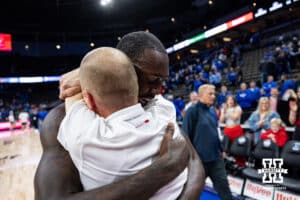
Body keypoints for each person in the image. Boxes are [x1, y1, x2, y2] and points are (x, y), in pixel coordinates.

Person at [35, 31, 205, 200]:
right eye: (152, 80)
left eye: (162, 81)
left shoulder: (156, 106)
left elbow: (193, 161)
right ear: (127, 69)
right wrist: (164, 169)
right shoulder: (61, 119)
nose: (158, 90)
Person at [58, 47, 188, 199]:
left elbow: (69, 92)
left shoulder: (87, 137)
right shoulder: (165, 111)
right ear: (136, 85)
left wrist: (87, 74)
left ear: (89, 100)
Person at [183, 84, 233, 200]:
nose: (213, 96)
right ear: (201, 95)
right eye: (210, 94)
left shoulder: (211, 111)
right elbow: (186, 137)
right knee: (191, 194)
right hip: (199, 162)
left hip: (216, 159)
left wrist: (221, 150)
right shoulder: (191, 112)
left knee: (225, 191)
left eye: (214, 94)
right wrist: (192, 161)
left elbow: (214, 133)